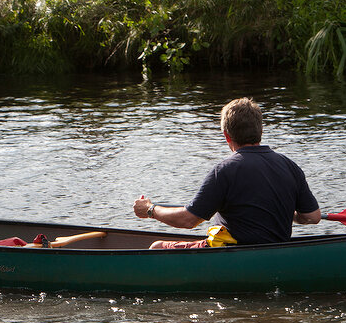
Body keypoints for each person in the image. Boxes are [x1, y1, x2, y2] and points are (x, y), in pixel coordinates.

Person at [133, 98, 321, 249]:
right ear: (260, 131)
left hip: (233, 253)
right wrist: (289, 213)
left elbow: (188, 220)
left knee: (157, 247)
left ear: (227, 136)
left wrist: (150, 210)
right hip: (276, 253)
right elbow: (313, 217)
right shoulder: (290, 166)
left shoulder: (224, 171)